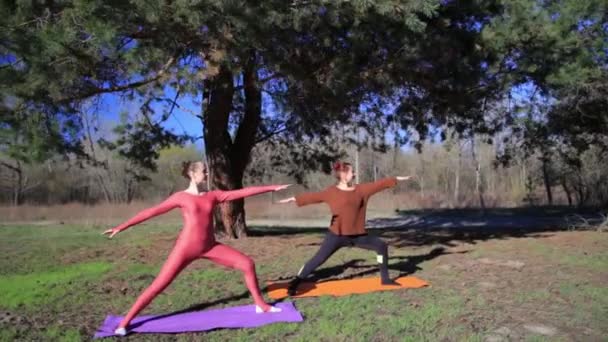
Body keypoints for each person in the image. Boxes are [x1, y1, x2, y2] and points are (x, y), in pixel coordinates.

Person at [103, 161, 289, 336]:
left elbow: (240, 193)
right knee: (157, 286)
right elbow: (151, 212)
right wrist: (121, 226)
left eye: (207, 171)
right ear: (192, 174)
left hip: (209, 247)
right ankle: (124, 323)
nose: (207, 174)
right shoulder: (181, 197)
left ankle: (261, 305)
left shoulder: (212, 195)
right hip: (185, 249)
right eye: (203, 171)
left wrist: (271, 188)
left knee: (247, 264)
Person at [277, 161, 413, 296]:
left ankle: (385, 279)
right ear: (343, 174)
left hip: (357, 235)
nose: (354, 174)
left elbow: (378, 185)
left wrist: (395, 179)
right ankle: (295, 283)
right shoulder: (331, 192)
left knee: (381, 246)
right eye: (351, 171)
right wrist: (294, 199)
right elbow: (313, 197)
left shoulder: (361, 190)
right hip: (337, 235)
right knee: (318, 259)